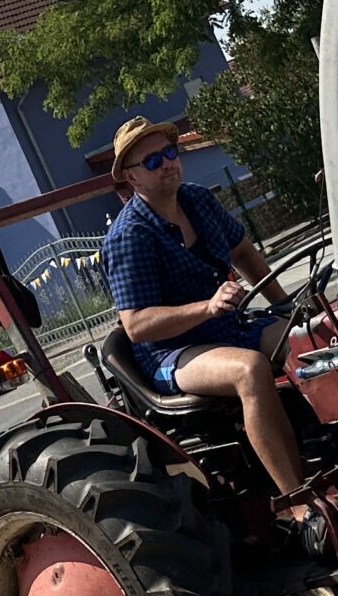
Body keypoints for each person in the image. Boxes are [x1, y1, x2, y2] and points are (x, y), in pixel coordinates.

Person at [98, 116, 303, 501]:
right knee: (249, 370)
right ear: (132, 177)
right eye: (152, 161)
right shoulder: (129, 237)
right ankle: (298, 500)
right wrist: (207, 307)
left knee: (310, 336)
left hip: (228, 329)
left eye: (169, 153)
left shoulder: (198, 199)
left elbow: (243, 251)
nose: (166, 164)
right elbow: (137, 325)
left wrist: (285, 306)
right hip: (171, 353)